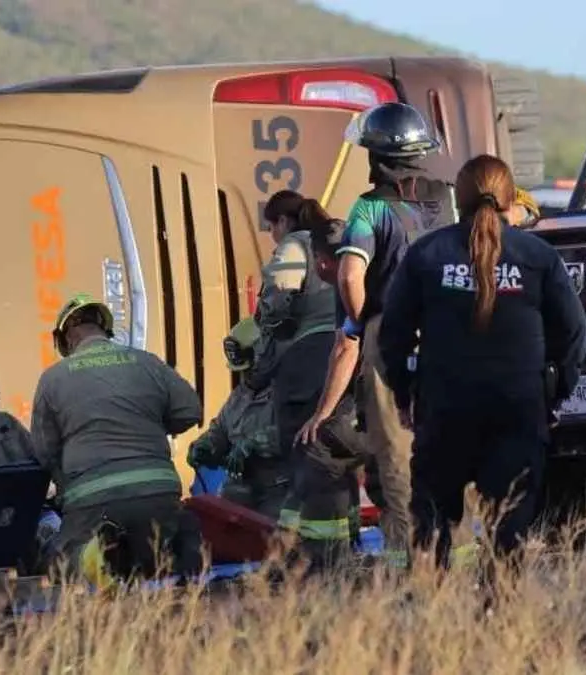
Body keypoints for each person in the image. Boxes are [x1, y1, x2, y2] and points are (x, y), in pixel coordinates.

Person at [377, 154, 586, 574]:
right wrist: (555, 394)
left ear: (461, 198)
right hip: (518, 413)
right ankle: (501, 623)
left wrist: (404, 393)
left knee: (432, 530)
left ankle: (434, 620)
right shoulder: (538, 257)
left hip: (444, 414)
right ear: (511, 200)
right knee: (507, 536)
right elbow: (574, 335)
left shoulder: (426, 254)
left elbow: (392, 335)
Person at [299, 101, 454, 569]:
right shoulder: (448, 199)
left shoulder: (369, 209)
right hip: (453, 336)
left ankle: (413, 568)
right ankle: (459, 561)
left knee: (398, 461)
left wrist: (364, 323)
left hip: (395, 338)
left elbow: (349, 276)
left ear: (375, 155)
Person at [31, 293, 204, 584]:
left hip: (92, 501)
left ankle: (94, 557)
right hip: (158, 492)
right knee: (159, 546)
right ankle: (178, 547)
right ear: (102, 326)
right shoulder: (147, 362)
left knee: (60, 558)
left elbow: (43, 451)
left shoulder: (53, 379)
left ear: (69, 332)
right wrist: (150, 424)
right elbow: (190, 411)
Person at [247, 193, 341, 506]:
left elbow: (275, 308)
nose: (271, 234)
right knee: (339, 452)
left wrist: (258, 355)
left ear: (283, 221)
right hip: (351, 353)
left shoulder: (294, 245)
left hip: (309, 360)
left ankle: (310, 548)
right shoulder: (340, 237)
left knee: (305, 452)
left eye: (270, 226)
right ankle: (347, 540)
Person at [186, 317, 294, 522]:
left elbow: (294, 432)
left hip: (282, 491)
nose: (245, 376)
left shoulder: (290, 389)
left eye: (249, 369)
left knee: (275, 548)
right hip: (244, 494)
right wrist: (204, 446)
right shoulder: (239, 397)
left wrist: (254, 443)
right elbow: (220, 431)